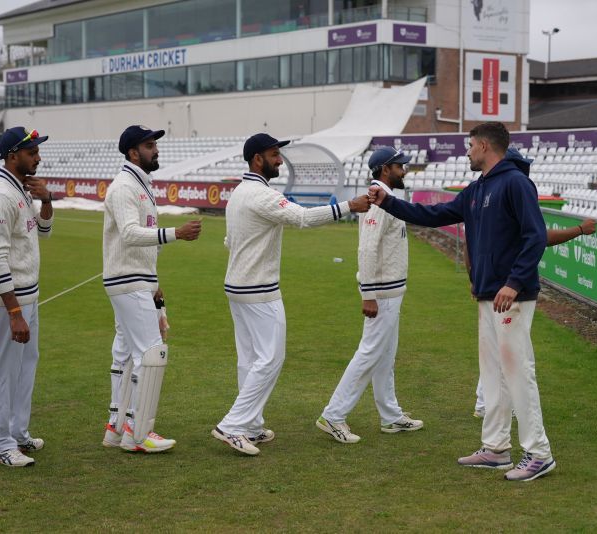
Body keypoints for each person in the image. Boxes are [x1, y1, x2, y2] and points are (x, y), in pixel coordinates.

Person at [369, 122, 555, 482]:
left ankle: (539, 453)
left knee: (518, 372)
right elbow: (435, 215)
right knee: (493, 375)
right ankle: (496, 448)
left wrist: (514, 283)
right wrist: (389, 202)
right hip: (489, 295)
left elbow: (536, 237)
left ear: (485, 146)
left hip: (510, 296)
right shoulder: (477, 188)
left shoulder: (516, 182)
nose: (467, 151)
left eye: (470, 145)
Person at [212, 133, 370, 456]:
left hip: (238, 286)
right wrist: (348, 206)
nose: (279, 160)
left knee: (251, 359)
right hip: (259, 289)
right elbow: (302, 217)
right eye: (274, 155)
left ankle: (251, 425)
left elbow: (230, 242)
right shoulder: (261, 195)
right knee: (270, 358)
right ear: (258, 159)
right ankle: (232, 425)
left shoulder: (239, 193)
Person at [469, 148, 596, 419]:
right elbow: (541, 237)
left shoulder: (490, 193)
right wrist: (580, 230)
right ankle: (498, 408)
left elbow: (473, 239)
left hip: (492, 282)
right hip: (512, 288)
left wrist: (474, 277)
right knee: (514, 353)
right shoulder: (513, 189)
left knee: (497, 351)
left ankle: (486, 403)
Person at [101, 125, 202, 453]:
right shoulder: (124, 187)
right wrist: (177, 233)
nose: (155, 150)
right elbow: (130, 234)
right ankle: (138, 433)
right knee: (151, 354)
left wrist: (155, 285)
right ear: (133, 153)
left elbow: (143, 244)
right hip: (127, 279)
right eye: (148, 145)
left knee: (129, 354)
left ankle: (117, 428)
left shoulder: (140, 184)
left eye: (155, 144)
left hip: (137, 279)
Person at [317, 147, 423, 444]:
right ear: (385, 168)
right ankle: (333, 415)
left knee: (385, 355)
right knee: (369, 353)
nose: (404, 170)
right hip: (382, 291)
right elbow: (366, 248)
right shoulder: (378, 200)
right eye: (400, 166)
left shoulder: (386, 197)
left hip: (391, 289)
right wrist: (368, 294)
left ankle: (390, 416)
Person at [0, 127, 53, 467]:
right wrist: (13, 310)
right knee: (3, 369)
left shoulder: (19, 188)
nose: (38, 156)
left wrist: (47, 201)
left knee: (26, 365)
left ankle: (17, 432)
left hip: (28, 293)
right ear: (13, 155)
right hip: (8, 299)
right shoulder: (0, 194)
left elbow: (43, 231)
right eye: (31, 152)